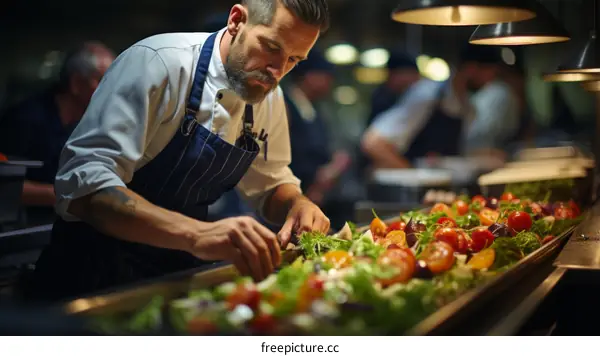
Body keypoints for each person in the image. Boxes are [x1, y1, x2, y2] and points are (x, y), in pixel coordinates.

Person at [26, 0, 331, 302]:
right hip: (91, 276)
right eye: (271, 47)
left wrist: (296, 204)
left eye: (294, 60)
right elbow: (86, 189)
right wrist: (197, 235)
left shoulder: (269, 96)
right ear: (237, 20)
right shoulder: (157, 63)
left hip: (174, 280)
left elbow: (270, 183)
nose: (277, 71)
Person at [0, 42, 115, 222]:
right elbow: (5, 186)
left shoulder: (94, 124)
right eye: (103, 80)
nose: (112, 90)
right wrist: (69, 196)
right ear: (76, 83)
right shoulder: (26, 118)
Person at [360, 45, 504, 170]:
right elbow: (373, 143)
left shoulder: (468, 108)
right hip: (410, 195)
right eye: (491, 72)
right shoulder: (427, 95)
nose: (490, 80)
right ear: (471, 68)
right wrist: (413, 175)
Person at [282, 49, 351, 207]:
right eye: (325, 76)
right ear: (308, 76)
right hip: (291, 194)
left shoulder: (314, 108)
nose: (330, 82)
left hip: (313, 196)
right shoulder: (284, 104)